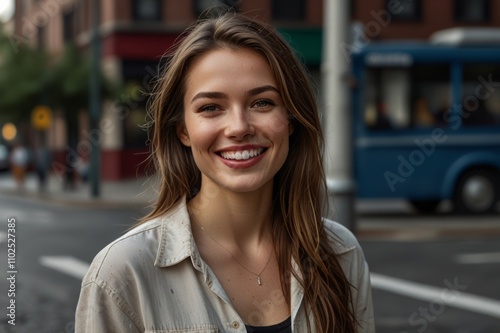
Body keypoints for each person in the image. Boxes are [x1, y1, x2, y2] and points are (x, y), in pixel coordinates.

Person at [75, 12, 375, 333]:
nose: (239, 128)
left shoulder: (341, 253)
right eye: (210, 107)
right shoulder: (121, 274)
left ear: (291, 120)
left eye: (262, 102)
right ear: (183, 131)